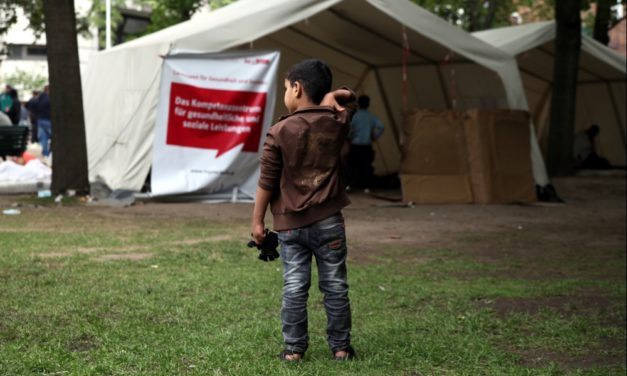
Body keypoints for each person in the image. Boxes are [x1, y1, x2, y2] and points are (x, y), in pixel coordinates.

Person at [251, 59, 357, 362]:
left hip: (290, 227)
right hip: (329, 223)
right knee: (335, 285)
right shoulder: (337, 120)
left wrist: (258, 221)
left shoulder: (279, 130)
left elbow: (267, 180)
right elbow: (350, 99)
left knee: (294, 287)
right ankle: (340, 348)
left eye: (286, 87)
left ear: (296, 88)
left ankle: (294, 351)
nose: (286, 93)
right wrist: (331, 98)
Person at [347, 95, 384, 189]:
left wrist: (350, 137)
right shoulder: (371, 116)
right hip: (367, 145)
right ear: (368, 104)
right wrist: (375, 136)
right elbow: (381, 127)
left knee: (352, 165)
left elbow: (349, 128)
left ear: (358, 104)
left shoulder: (355, 115)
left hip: (356, 144)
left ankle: (349, 185)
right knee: (366, 166)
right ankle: (366, 187)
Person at [33, 85, 52, 157]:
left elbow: (32, 106)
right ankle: (50, 153)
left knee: (43, 138)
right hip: (48, 120)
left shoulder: (38, 98)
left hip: (40, 120)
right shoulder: (49, 99)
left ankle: (45, 153)